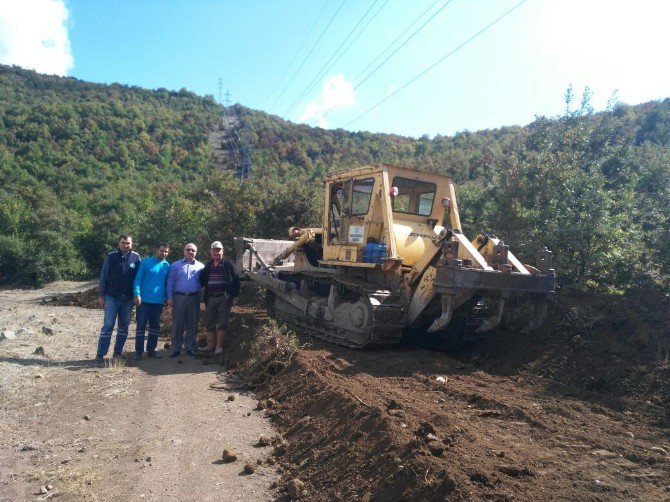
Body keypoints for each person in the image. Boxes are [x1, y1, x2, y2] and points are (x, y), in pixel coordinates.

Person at [95, 234, 141, 363]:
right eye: (123, 243)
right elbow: (103, 277)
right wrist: (101, 295)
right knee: (108, 325)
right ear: (119, 243)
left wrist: (137, 294)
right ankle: (100, 354)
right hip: (112, 297)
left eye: (128, 243)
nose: (126, 245)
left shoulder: (136, 258)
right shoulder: (111, 257)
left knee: (124, 327)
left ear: (131, 244)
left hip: (128, 299)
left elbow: (139, 278)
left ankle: (117, 353)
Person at [199, 241, 240, 355]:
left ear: (223, 251)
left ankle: (219, 347)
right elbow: (202, 281)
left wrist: (235, 296)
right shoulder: (208, 265)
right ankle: (210, 345)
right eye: (214, 250)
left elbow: (236, 281)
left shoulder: (228, 264)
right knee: (210, 322)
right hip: (210, 298)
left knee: (222, 323)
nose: (216, 252)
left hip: (224, 298)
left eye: (219, 250)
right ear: (211, 252)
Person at [132, 242, 171, 360]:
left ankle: (151, 350)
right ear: (156, 250)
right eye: (162, 250)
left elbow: (166, 284)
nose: (163, 253)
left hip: (158, 302)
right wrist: (137, 294)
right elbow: (137, 279)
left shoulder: (167, 266)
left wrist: (166, 298)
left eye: (166, 252)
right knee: (141, 326)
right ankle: (138, 351)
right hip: (144, 301)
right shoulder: (146, 262)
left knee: (155, 327)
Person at [166, 243, 204, 357]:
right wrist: (169, 297)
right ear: (184, 251)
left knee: (192, 323)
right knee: (178, 323)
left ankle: (190, 347)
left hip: (194, 298)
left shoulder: (201, 266)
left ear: (196, 252)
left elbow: (203, 285)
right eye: (188, 249)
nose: (190, 251)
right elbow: (170, 283)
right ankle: (175, 348)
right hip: (179, 297)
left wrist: (203, 300)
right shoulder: (175, 265)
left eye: (193, 250)